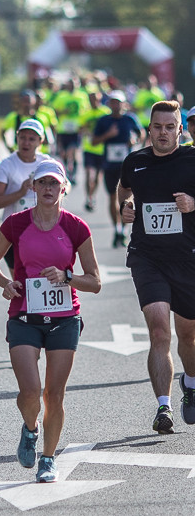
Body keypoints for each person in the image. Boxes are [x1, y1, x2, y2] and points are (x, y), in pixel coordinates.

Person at [0, 159, 100, 483]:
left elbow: (95, 281)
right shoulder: (17, 224)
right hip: (24, 315)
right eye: (43, 183)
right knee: (30, 392)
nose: (48, 189)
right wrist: (6, 283)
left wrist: (68, 277)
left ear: (64, 188)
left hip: (65, 319)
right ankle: (30, 428)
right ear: (33, 187)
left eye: (54, 184)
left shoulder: (76, 227)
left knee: (54, 394)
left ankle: (48, 459)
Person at [117, 100, 195, 435]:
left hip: (188, 258)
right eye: (157, 127)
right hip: (147, 257)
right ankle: (163, 407)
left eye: (169, 127)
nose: (163, 133)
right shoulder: (136, 162)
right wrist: (127, 205)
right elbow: (123, 189)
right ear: (149, 129)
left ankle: (189, 385)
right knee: (159, 330)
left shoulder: (193, 159)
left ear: (181, 129)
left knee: (189, 335)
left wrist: (194, 203)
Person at [0, 119, 51, 277]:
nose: (26, 143)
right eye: (22, 137)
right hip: (14, 235)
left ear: (40, 141)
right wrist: (20, 193)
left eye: (32, 139)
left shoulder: (47, 163)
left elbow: (66, 185)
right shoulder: (7, 165)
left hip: (43, 232)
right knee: (22, 283)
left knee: (42, 282)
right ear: (17, 138)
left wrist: (55, 190)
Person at [92, 90, 144, 247]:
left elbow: (141, 133)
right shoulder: (104, 121)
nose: (115, 105)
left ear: (124, 104)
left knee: (128, 198)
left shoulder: (130, 119)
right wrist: (108, 135)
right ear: (109, 104)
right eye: (113, 102)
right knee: (112, 198)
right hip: (110, 165)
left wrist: (135, 140)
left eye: (118, 102)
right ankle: (117, 228)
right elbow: (94, 141)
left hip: (127, 167)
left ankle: (125, 228)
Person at [78, 89, 111, 212]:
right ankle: (89, 197)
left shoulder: (105, 112)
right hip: (89, 147)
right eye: (91, 100)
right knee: (88, 173)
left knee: (98, 176)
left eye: (95, 99)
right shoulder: (85, 113)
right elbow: (80, 129)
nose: (93, 102)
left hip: (102, 148)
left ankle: (93, 195)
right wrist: (86, 130)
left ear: (99, 99)